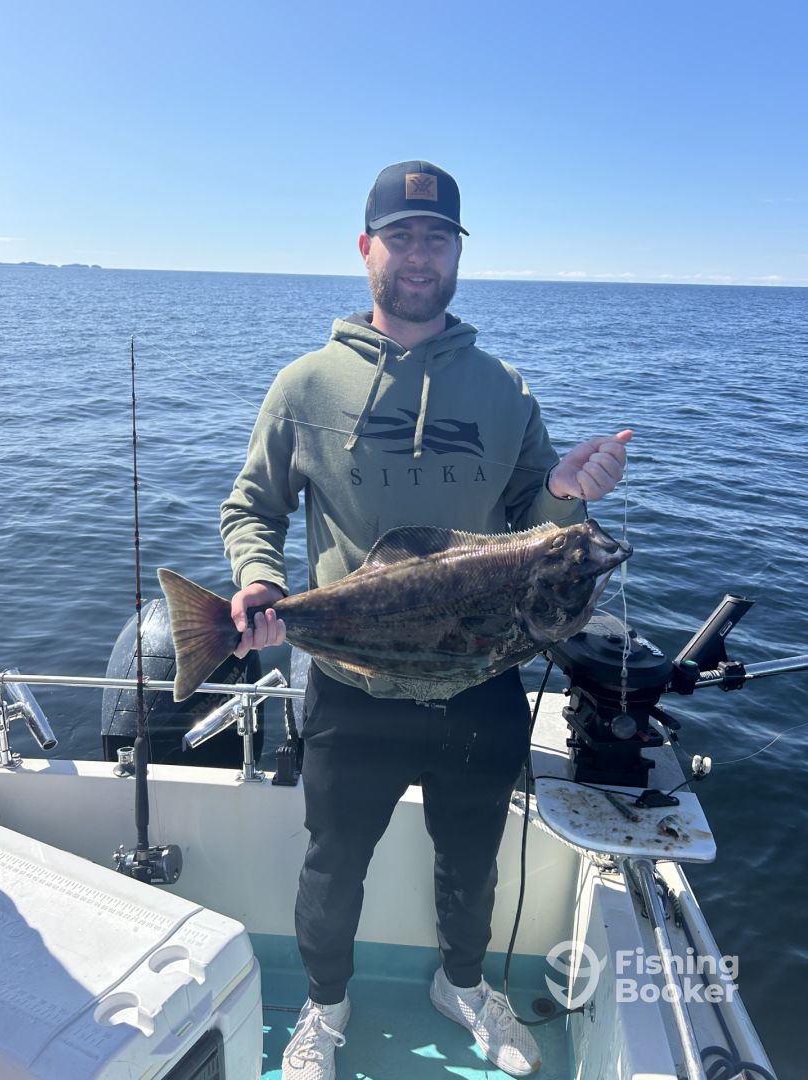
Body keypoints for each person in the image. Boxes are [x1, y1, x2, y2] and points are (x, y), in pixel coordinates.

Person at [220, 160, 631, 1079]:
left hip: (479, 677)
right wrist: (258, 580)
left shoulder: (504, 390)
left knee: (473, 859)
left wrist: (567, 491)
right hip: (351, 679)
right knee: (334, 865)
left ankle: (465, 985)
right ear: (365, 248)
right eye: (400, 236)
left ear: (457, 252)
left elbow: (532, 524)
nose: (419, 255)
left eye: (437, 237)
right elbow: (252, 507)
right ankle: (324, 1007)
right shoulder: (305, 385)